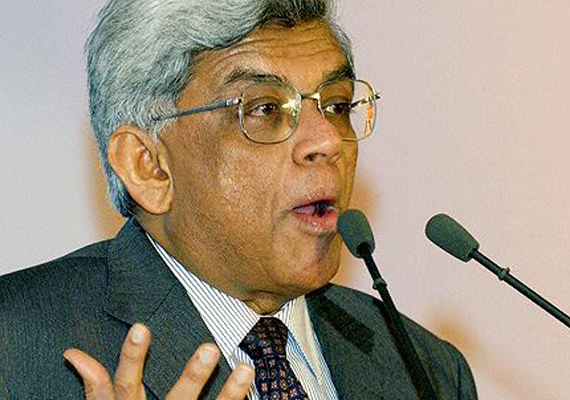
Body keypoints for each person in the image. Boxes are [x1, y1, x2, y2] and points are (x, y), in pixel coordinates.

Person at [0, 0, 478, 399]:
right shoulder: (14, 347)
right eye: (265, 109)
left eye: (336, 105)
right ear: (148, 166)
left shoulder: (427, 371)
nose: (328, 140)